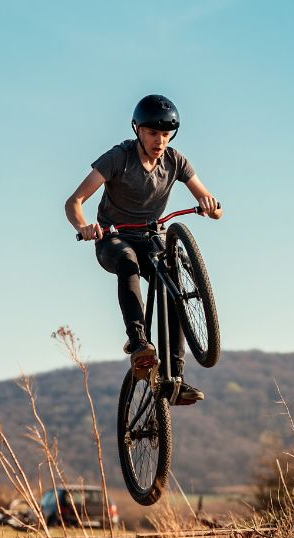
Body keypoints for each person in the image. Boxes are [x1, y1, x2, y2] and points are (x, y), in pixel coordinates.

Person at [65, 94, 221, 403]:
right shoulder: (118, 158)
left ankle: (175, 379)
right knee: (127, 261)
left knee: (173, 286)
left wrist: (209, 204)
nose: (160, 140)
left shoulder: (175, 161)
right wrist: (83, 225)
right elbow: (74, 202)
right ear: (137, 129)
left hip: (151, 238)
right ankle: (138, 343)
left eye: (165, 134)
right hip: (113, 237)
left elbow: (215, 209)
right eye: (153, 133)